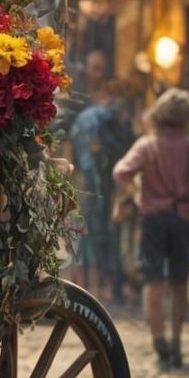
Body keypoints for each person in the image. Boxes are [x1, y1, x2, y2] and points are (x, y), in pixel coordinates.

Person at [113, 88, 189, 371]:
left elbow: (120, 171)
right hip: (184, 222)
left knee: (153, 283)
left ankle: (158, 340)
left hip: (152, 221)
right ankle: (176, 342)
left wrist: (135, 189)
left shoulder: (147, 145)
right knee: (179, 283)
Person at [67, 78, 131, 303]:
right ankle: (96, 287)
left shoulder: (87, 118)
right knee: (95, 233)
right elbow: (101, 149)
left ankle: (89, 286)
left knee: (84, 234)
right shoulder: (104, 117)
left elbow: (74, 147)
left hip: (86, 180)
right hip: (97, 181)